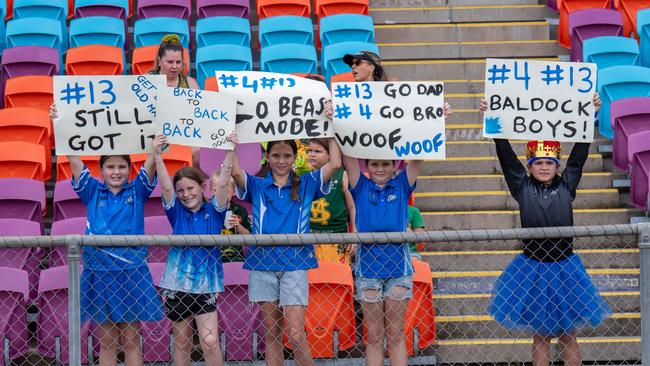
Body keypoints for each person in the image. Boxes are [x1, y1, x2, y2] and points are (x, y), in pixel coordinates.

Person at [336, 50, 452, 366]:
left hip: (399, 268)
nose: (381, 168)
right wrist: (337, 119)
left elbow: (419, 155)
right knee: (373, 336)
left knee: (396, 335)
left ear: (393, 164)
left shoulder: (402, 184)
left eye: (386, 163)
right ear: (368, 166)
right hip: (369, 269)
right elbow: (347, 155)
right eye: (374, 164)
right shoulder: (359, 184)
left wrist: (435, 119)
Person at [480, 95, 611, 366]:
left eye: (549, 163)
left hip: (565, 266)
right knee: (540, 335)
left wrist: (589, 115)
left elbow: (578, 157)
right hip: (533, 267)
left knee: (568, 333)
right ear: (529, 166)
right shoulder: (521, 186)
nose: (543, 167)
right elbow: (506, 157)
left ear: (557, 166)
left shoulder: (567, 185)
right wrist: (491, 119)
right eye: (537, 162)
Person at [50, 103, 164, 366]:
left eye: (122, 167)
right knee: (108, 341)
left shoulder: (137, 191)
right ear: (101, 171)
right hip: (99, 271)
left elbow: (150, 161)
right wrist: (61, 124)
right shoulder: (92, 191)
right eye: (110, 167)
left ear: (129, 170)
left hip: (131, 272)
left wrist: (156, 134)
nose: (116, 172)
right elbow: (74, 158)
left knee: (132, 339)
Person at [230, 137, 342, 366]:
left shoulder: (308, 182)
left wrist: (330, 132)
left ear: (294, 157)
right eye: (276, 156)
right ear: (267, 158)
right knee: (271, 335)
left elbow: (336, 164)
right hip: (262, 265)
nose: (281, 161)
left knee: (296, 333)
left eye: (287, 156)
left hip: (295, 264)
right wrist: (232, 143)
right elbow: (234, 171)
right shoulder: (257, 185)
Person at [153, 134, 240, 366]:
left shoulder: (215, 210)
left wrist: (230, 151)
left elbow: (223, 182)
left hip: (206, 285)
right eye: (180, 190)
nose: (186, 194)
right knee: (182, 341)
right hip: (177, 285)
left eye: (190, 188)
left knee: (209, 341)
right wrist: (158, 156)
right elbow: (164, 186)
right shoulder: (176, 212)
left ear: (202, 188)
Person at [148, 33, 201, 167]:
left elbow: (199, 115)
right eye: (170, 62)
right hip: (153, 135)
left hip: (183, 136)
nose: (174, 67)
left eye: (178, 62)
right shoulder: (146, 81)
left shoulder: (191, 84)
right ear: (159, 61)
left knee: (197, 150)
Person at [307, 138, 356, 265]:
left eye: (317, 151)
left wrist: (355, 235)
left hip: (336, 238)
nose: (312, 154)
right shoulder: (305, 176)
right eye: (310, 150)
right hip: (309, 240)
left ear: (330, 155)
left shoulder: (342, 175)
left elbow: (352, 207)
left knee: (335, 281)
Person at [210, 169, 252, 262]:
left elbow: (249, 237)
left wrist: (238, 226)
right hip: (212, 258)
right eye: (216, 190)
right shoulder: (206, 211)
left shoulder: (239, 211)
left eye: (225, 191)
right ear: (210, 191)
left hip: (234, 257)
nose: (220, 194)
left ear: (233, 192)